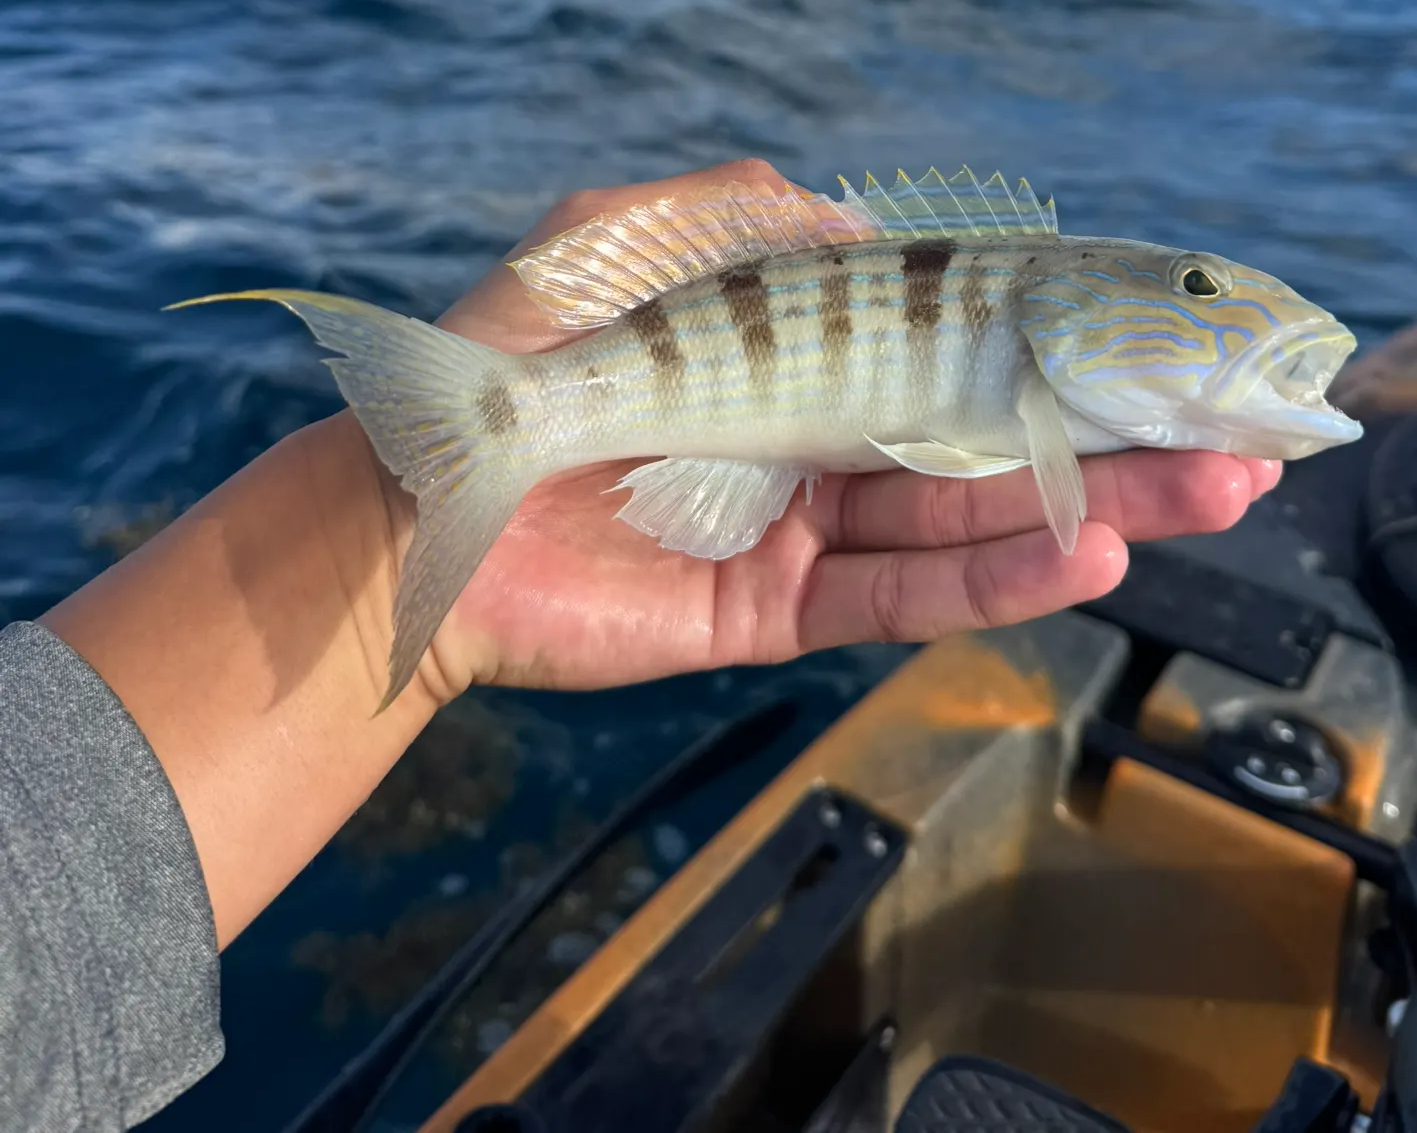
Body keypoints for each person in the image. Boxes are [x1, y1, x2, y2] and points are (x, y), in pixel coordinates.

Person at [0, 160, 1281, 1131]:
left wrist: (367, 533)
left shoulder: (1058, 350)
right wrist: (397, 510)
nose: (1216, 302)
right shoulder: (1027, 309)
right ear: (1082, 300)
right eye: (1197, 287)